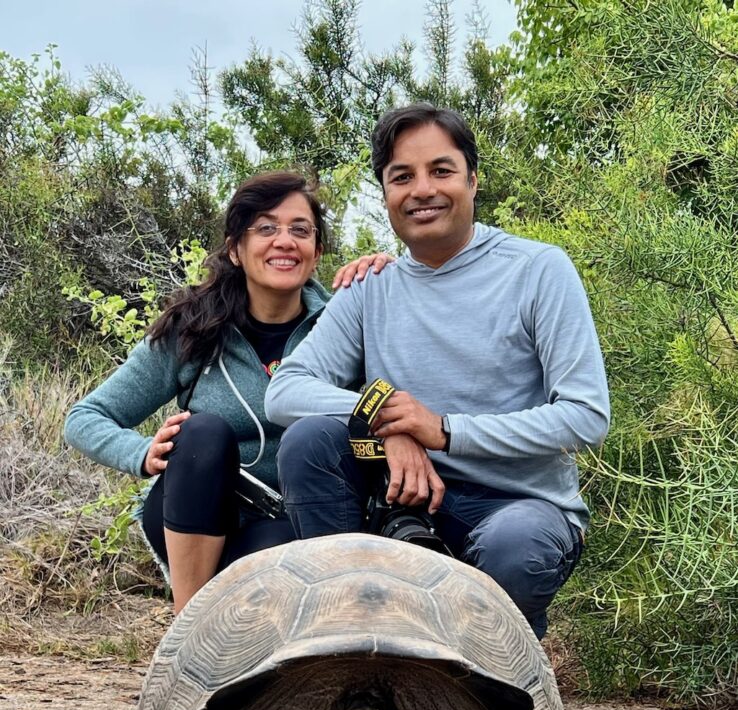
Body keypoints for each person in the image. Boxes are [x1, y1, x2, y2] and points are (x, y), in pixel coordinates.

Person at [264, 105, 610, 640]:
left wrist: (444, 431)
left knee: (515, 550)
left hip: (517, 506)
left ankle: (495, 662)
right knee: (310, 441)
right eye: (402, 176)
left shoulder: (539, 270)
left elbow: (584, 416)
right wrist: (389, 419)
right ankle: (342, 637)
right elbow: (285, 391)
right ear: (385, 194)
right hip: (405, 498)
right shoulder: (369, 287)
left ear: (473, 180)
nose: (422, 189)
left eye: (441, 171)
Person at [64, 171, 391, 614]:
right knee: (201, 432)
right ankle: (187, 625)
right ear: (236, 248)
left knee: (278, 556)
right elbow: (85, 418)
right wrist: (142, 453)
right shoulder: (192, 329)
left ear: (317, 252)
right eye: (266, 228)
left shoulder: (344, 326)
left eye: (300, 230)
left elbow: (393, 402)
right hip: (197, 518)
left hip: (298, 520)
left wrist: (396, 283)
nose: (284, 241)